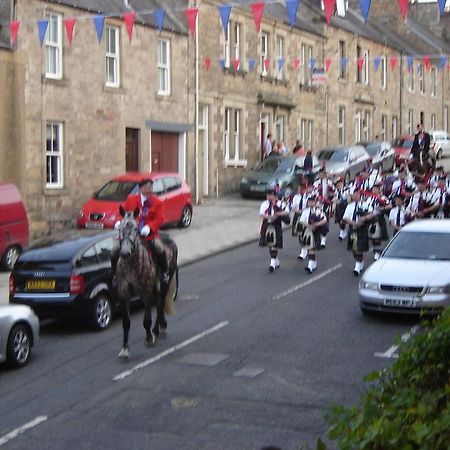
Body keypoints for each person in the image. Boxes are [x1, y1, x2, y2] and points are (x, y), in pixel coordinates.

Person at [111, 178, 169, 284]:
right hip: (130, 234)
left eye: (150, 187)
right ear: (140, 188)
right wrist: (119, 221)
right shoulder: (131, 199)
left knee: (159, 247)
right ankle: (114, 274)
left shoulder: (157, 202)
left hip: (148, 235)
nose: (148, 190)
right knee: (114, 249)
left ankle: (165, 272)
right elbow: (121, 213)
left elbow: (160, 218)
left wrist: (149, 227)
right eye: (146, 188)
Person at [343, 189, 375, 276]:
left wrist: (364, 218)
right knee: (354, 247)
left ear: (360, 195)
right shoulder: (350, 206)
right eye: (354, 195)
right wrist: (354, 223)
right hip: (353, 228)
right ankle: (360, 261)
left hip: (362, 228)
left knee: (359, 247)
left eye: (357, 195)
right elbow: (345, 217)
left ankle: (357, 266)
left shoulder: (365, 204)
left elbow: (372, 213)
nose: (355, 196)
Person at [259, 188, 290, 272]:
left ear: (275, 196)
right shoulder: (264, 204)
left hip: (276, 225)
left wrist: (277, 214)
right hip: (267, 224)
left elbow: (287, 212)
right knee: (270, 244)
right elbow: (261, 214)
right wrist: (269, 217)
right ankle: (275, 260)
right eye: (268, 195)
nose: (269, 197)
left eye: (270, 195)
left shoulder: (280, 203)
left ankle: (272, 263)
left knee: (273, 244)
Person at [299, 195, 328, 274]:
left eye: (312, 202)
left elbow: (324, 220)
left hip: (316, 231)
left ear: (315, 203)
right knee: (309, 248)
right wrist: (309, 226)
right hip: (307, 231)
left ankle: (310, 266)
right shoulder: (305, 211)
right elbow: (301, 221)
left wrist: (317, 224)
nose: (310, 203)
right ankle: (312, 264)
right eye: (309, 202)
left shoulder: (318, 211)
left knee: (312, 248)